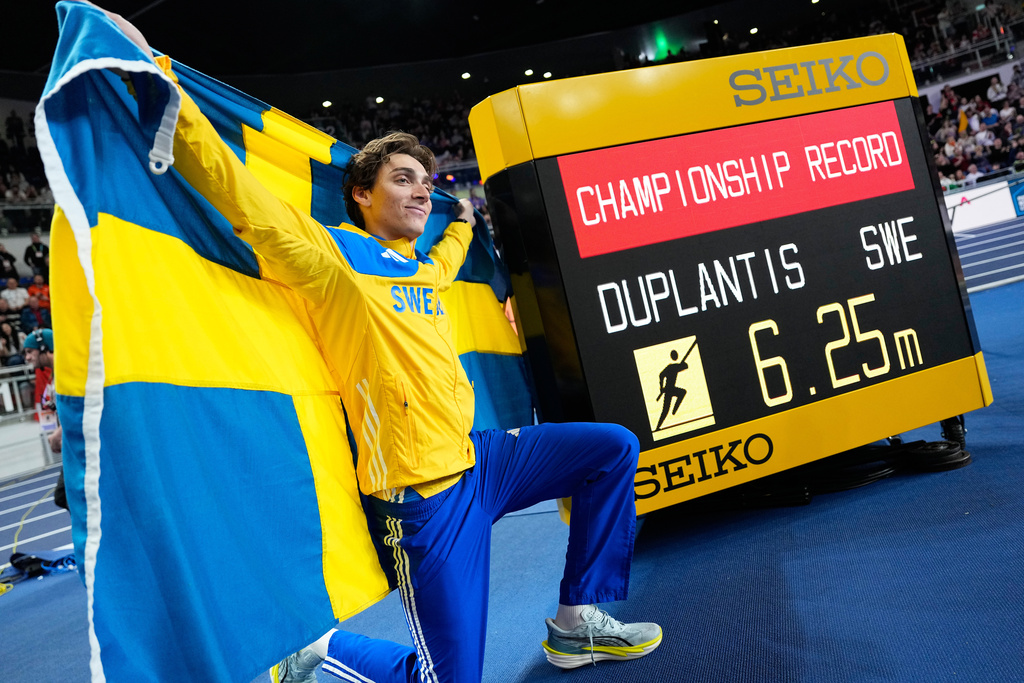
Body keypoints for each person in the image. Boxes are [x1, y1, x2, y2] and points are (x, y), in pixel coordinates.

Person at [101, 9, 661, 683]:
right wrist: (157, 74)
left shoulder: (423, 266)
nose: (421, 191)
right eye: (403, 180)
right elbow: (241, 193)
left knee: (611, 449)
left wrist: (461, 216)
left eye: (425, 182)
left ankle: (576, 626)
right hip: (421, 497)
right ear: (361, 194)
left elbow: (452, 250)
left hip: (480, 458)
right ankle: (324, 649)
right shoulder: (329, 257)